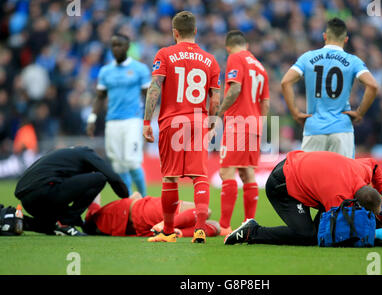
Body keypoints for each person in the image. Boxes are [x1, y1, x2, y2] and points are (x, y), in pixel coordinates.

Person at [142, 11, 221, 243]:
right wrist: (213, 122)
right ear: (195, 31)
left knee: (170, 178)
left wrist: (147, 121)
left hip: (172, 122)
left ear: (174, 32)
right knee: (200, 176)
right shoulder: (211, 60)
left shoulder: (164, 54)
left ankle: (167, 232)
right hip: (198, 122)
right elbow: (215, 97)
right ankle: (199, 229)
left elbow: (155, 87)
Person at [224, 150, 382, 246]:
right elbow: (336, 233)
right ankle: (253, 232)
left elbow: (374, 165)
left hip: (294, 166)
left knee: (315, 230)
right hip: (282, 185)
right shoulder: (337, 197)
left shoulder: (362, 170)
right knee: (307, 236)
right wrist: (376, 237)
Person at [280, 17, 378, 158]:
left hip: (314, 128)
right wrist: (359, 113)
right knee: (342, 178)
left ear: (325, 36)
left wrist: (295, 113)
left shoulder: (307, 57)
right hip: (342, 128)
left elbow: (285, 82)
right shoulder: (353, 61)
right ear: (346, 39)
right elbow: (373, 85)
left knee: (310, 177)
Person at [216, 30, 270, 236]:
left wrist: (220, 112)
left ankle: (224, 226)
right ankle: (249, 222)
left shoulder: (235, 58)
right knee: (247, 173)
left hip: (238, 122)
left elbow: (235, 88)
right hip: (255, 124)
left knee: (226, 172)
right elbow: (265, 102)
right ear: (246, 44)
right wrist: (259, 124)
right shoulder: (260, 66)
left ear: (228, 46)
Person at [87, 33, 150, 196]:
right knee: (118, 166)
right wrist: (92, 118)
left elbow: (148, 95)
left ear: (127, 47)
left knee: (132, 161)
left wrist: (148, 119)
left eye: (119, 45)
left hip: (132, 120)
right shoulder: (106, 71)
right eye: (113, 45)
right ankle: (129, 202)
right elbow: (100, 97)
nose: (116, 49)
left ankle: (144, 199)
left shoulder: (139, 69)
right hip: (112, 122)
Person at [14, 146, 129, 236]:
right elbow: (113, 177)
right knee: (99, 178)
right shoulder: (87, 152)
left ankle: (23, 222)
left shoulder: (66, 159)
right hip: (44, 191)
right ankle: (67, 222)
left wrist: (81, 223)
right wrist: (127, 199)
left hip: (27, 201)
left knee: (52, 225)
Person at [83, 192, 220, 239]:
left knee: (215, 226)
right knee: (206, 211)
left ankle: (178, 232)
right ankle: (167, 226)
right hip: (145, 210)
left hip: (144, 224)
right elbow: (94, 197)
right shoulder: (97, 215)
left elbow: (94, 201)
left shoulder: (105, 223)